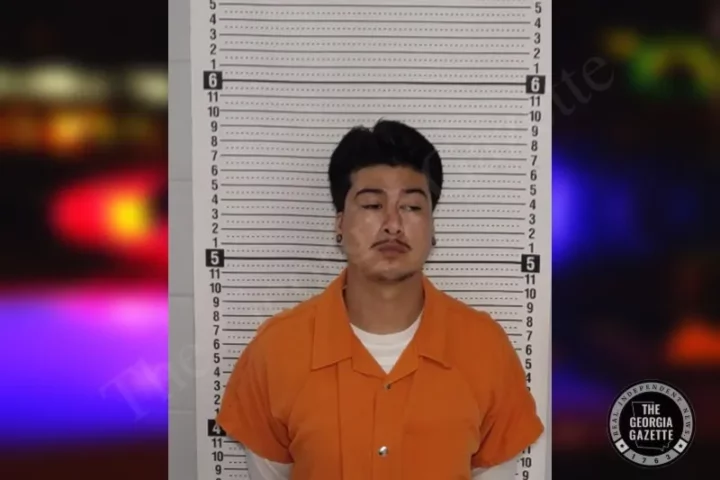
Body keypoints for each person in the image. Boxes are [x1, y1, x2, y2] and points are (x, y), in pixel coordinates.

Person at [216, 119, 544, 479]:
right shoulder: (275, 351)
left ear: (433, 228)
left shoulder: (485, 348)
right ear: (339, 225)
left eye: (412, 207)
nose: (392, 224)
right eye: (372, 205)